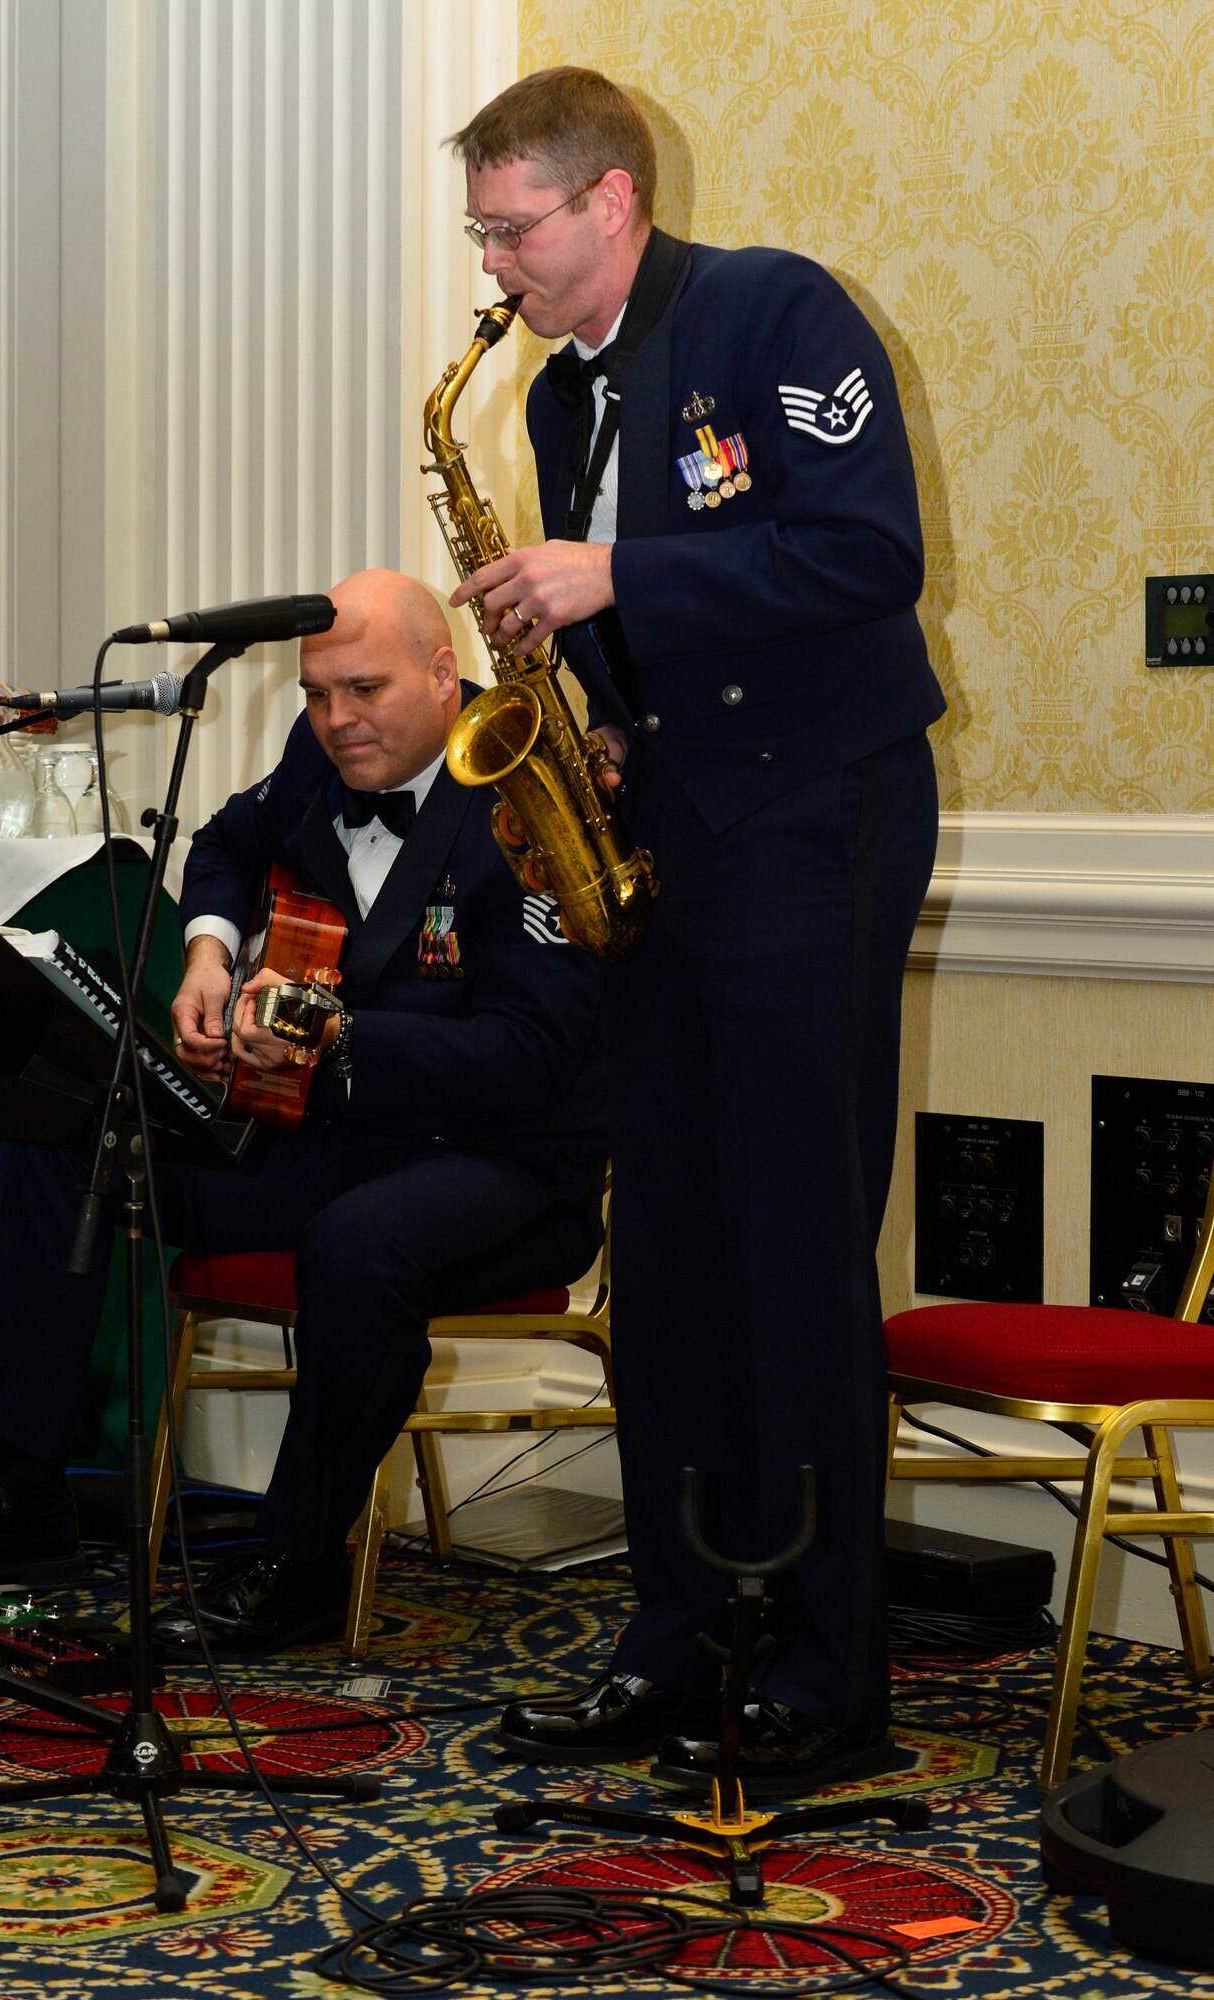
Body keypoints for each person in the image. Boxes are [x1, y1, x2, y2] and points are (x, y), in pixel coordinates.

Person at [446, 68, 946, 1797]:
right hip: (667, 833)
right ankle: (674, 1645)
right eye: (482, 232)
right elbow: (631, 627)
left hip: (814, 816)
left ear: (609, 202)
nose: (493, 264)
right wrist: (587, 713)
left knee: (792, 1248)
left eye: (514, 230)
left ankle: (826, 1679)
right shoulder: (557, 396)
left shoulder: (768, 306)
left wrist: (615, 583)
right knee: (657, 1254)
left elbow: (863, 555)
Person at [0, 568, 607, 1651]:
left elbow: (532, 1060)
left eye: (364, 688)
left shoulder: (527, 798)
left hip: (502, 1164)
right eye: (316, 693)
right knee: (72, 1132)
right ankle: (27, 1496)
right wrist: (208, 951)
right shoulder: (324, 755)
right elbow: (223, 843)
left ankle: (297, 1559)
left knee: (360, 1246)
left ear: (446, 674)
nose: (336, 719)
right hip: (330, 1134)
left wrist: (336, 1033)